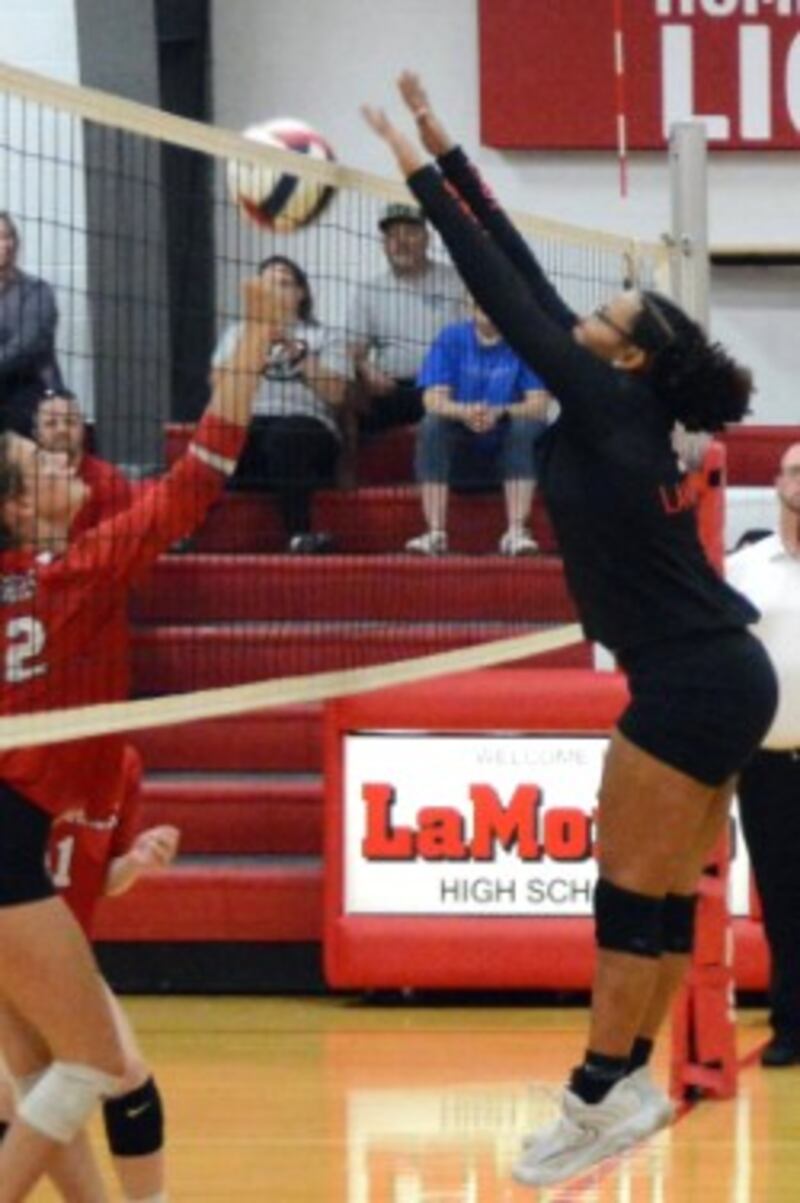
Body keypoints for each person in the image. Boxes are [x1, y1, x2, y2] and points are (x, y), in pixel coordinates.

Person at [362, 73, 778, 1188]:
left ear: (628, 356)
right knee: (640, 890)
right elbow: (533, 279)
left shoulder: (602, 403)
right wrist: (447, 145)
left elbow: (500, 278)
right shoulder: (620, 403)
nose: (583, 321)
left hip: (693, 679)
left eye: (607, 321)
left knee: (622, 889)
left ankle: (600, 1088)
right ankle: (617, 1086)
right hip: (711, 675)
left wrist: (411, 170)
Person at [0, 274, 272, 1201]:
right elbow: (201, 473)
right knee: (88, 1063)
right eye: (43, 467)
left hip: (23, 830)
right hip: (10, 833)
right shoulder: (79, 572)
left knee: (43, 1071)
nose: (62, 464)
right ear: (17, 509)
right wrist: (257, 340)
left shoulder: (34, 574)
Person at [0, 747, 178, 1203]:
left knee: (119, 1072)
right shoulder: (23, 756)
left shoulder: (120, 763)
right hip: (16, 936)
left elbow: (99, 876)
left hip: (57, 953)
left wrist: (138, 860)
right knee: (33, 1085)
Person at [726, 442, 800, 1068]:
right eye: (797, 470)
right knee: (781, 897)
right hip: (769, 763)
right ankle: (791, 1027)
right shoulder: (745, 567)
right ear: (778, 482)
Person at [213, 255, 348, 554]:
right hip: (253, 429)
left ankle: (299, 534)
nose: (275, 291)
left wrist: (295, 352)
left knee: (286, 436)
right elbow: (219, 388)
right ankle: (182, 531)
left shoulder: (325, 335)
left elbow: (337, 393)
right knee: (220, 436)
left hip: (309, 434)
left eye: (285, 283)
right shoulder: (238, 333)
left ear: (301, 293)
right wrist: (256, 341)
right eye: (268, 284)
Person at [407, 302, 550, 555]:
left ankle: (516, 532)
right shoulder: (451, 338)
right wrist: (465, 412)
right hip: (459, 460)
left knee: (526, 425)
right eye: (478, 299)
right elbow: (432, 399)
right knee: (432, 424)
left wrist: (500, 412)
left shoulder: (525, 341)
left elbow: (539, 404)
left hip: (509, 457)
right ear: (468, 306)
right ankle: (436, 533)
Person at [348, 202, 464, 432]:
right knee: (350, 395)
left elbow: (477, 338)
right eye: (392, 235)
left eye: (410, 233)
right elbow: (354, 350)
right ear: (384, 244)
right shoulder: (370, 290)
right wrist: (366, 369)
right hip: (391, 388)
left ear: (427, 238)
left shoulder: (456, 281)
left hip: (447, 386)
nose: (401, 242)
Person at [32, 387, 133, 535]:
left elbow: (112, 550)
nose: (62, 430)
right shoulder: (24, 481)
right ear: (37, 434)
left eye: (70, 422)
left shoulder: (110, 480)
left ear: (83, 429)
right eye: (51, 423)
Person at [0, 212, 62, 433]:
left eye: (9, 237)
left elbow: (27, 347)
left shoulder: (37, 291)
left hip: (31, 392)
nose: (6, 245)